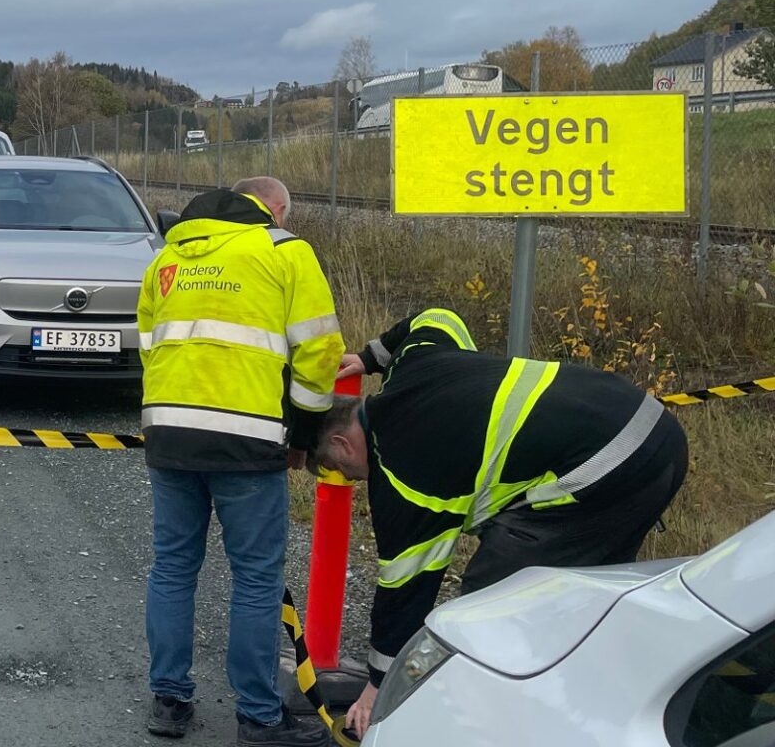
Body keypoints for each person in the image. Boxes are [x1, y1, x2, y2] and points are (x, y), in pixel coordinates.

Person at [322, 307, 689, 737]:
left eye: (337, 467)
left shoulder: (400, 474)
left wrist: (377, 689)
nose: (349, 478)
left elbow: (405, 588)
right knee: (578, 596)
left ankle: (497, 724)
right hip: (646, 425)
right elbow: (437, 318)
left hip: (615, 461)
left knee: (495, 601)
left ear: (342, 444)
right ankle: (594, 699)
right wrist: (372, 356)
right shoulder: (413, 364)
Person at [137, 176, 345, 746]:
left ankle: (169, 701)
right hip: (248, 439)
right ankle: (258, 715)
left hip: (169, 433)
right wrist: (303, 431)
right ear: (273, 209)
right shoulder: (284, 250)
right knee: (255, 577)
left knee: (172, 566)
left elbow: (149, 345)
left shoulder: (167, 257)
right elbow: (321, 348)